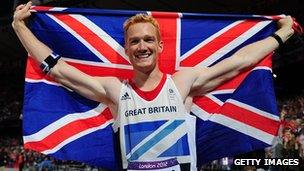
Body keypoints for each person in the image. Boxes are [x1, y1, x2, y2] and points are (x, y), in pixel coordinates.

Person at [12, 1, 294, 171]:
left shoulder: (182, 82)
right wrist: (20, 28)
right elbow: (59, 70)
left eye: (148, 40)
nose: (142, 46)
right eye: (134, 41)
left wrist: (283, 33)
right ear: (127, 50)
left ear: (160, 46)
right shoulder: (115, 91)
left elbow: (239, 61)